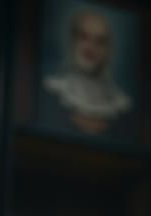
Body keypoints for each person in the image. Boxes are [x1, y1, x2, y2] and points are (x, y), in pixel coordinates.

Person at [42, 8, 132, 136]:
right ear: (73, 41)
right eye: (84, 37)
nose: (91, 47)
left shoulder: (122, 106)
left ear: (109, 50)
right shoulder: (50, 93)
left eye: (100, 41)